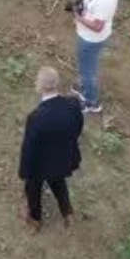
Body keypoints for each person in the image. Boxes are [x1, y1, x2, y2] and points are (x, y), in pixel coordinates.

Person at [18, 66, 83, 233]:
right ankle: (67, 212)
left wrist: (24, 172)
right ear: (57, 84)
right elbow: (78, 128)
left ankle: (35, 219)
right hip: (64, 159)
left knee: (33, 189)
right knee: (58, 182)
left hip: (41, 164)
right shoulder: (73, 104)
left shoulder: (36, 117)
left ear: (40, 86)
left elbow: (29, 149)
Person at [70, 0, 119, 114]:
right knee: (86, 66)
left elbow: (98, 27)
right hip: (88, 36)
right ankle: (85, 88)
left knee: (87, 71)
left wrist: (78, 17)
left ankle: (91, 101)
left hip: (91, 39)